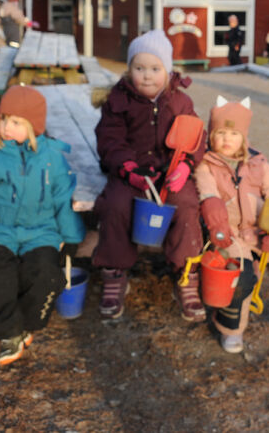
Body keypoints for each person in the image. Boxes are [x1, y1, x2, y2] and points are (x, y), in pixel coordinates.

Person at [0, 85, 85, 365]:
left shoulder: (53, 161)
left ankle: (24, 323)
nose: (6, 128)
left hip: (41, 233)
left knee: (45, 275)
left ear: (33, 126)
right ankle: (9, 332)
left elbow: (63, 199)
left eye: (15, 122)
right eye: (3, 120)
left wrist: (70, 237)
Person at [92, 30, 207, 321]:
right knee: (115, 205)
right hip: (131, 172)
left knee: (187, 205)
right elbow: (109, 139)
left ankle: (186, 272)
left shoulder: (180, 102)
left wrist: (185, 167)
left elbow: (196, 137)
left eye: (155, 69)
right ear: (129, 70)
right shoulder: (119, 101)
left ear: (167, 71)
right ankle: (115, 271)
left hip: (169, 172)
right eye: (139, 68)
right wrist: (126, 168)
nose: (146, 76)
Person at [194, 96, 269, 353]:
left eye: (234, 133)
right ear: (211, 136)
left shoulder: (257, 163)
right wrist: (218, 229)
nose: (227, 139)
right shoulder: (206, 165)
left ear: (244, 136)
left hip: (262, 229)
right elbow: (209, 196)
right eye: (221, 133)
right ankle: (231, 329)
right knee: (239, 278)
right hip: (229, 235)